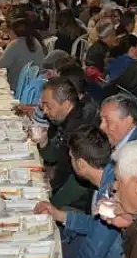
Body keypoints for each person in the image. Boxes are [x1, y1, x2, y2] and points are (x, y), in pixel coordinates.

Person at [34, 126, 125, 258]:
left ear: (81, 164)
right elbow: (96, 225)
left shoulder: (109, 193)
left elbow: (92, 251)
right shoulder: (110, 176)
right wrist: (59, 215)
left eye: (71, 158)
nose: (70, 162)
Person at [38, 77, 97, 210]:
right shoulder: (65, 120)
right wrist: (43, 141)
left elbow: (78, 184)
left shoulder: (79, 129)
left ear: (67, 105)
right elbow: (53, 156)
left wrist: (52, 204)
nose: (44, 111)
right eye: (43, 105)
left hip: (78, 202)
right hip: (62, 186)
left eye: (48, 106)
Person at [0, 18, 46, 92]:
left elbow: (0, 64)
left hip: (17, 86)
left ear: (14, 32)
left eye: (10, 32)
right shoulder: (34, 41)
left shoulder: (15, 44)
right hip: (33, 87)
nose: (8, 35)